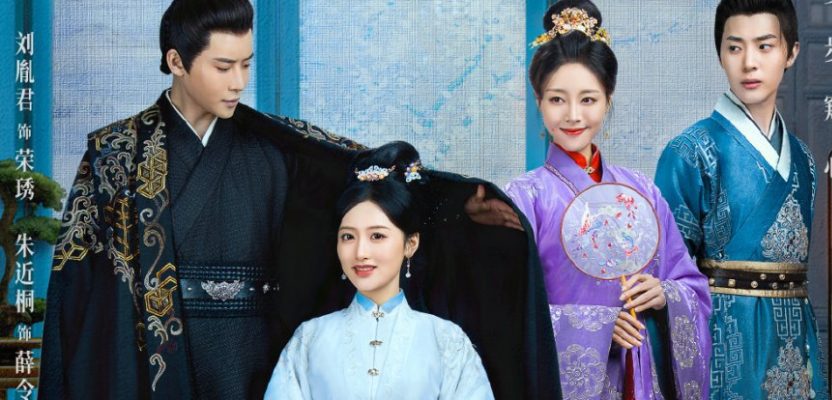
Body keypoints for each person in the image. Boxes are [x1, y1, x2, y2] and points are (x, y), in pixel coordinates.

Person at [41, 1, 559, 398]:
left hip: (252, 357)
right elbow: (81, 291)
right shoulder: (118, 153)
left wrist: (456, 208)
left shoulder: (276, 147)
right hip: (156, 356)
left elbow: (372, 188)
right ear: (176, 61)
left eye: (246, 65)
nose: (239, 83)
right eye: (223, 66)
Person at [504, 1, 712, 398]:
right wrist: (596, 327)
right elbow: (507, 308)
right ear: (538, 101)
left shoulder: (643, 192)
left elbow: (692, 286)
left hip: (640, 378)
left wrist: (665, 294)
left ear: (608, 99)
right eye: (556, 99)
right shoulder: (524, 198)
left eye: (588, 99)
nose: (573, 115)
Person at [654, 0, 829, 398]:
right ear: (720, 54)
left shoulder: (803, 159)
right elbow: (665, 278)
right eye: (735, 47)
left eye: (765, 46)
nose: (749, 63)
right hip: (724, 347)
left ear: (791, 52)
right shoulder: (689, 152)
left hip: (796, 346)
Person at [265, 142, 494, 399]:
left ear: (410, 244)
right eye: (348, 237)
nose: (360, 252)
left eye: (377, 236)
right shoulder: (310, 338)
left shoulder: (446, 341)